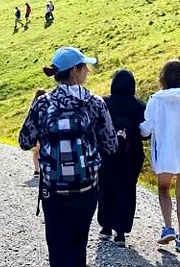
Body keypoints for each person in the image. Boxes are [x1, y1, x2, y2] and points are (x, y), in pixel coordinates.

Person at [18, 46, 122, 267]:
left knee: (57, 245)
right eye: (84, 67)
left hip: (54, 189)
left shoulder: (43, 103)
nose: (88, 71)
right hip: (86, 188)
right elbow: (111, 145)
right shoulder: (95, 103)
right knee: (78, 244)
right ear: (75, 70)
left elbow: (24, 141)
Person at [139, 60, 180, 253]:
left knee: (163, 189)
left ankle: (168, 227)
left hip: (165, 154)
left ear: (163, 78)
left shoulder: (156, 99)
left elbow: (146, 128)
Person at [98, 70, 147, 247]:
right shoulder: (139, 106)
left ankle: (105, 227)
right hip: (131, 154)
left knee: (106, 187)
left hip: (107, 153)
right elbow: (145, 134)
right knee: (127, 190)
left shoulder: (105, 102)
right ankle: (120, 232)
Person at [30, 89, 47, 177]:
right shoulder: (47, 104)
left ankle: (37, 170)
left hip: (36, 131)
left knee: (36, 151)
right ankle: (44, 169)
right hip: (45, 131)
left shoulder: (33, 106)